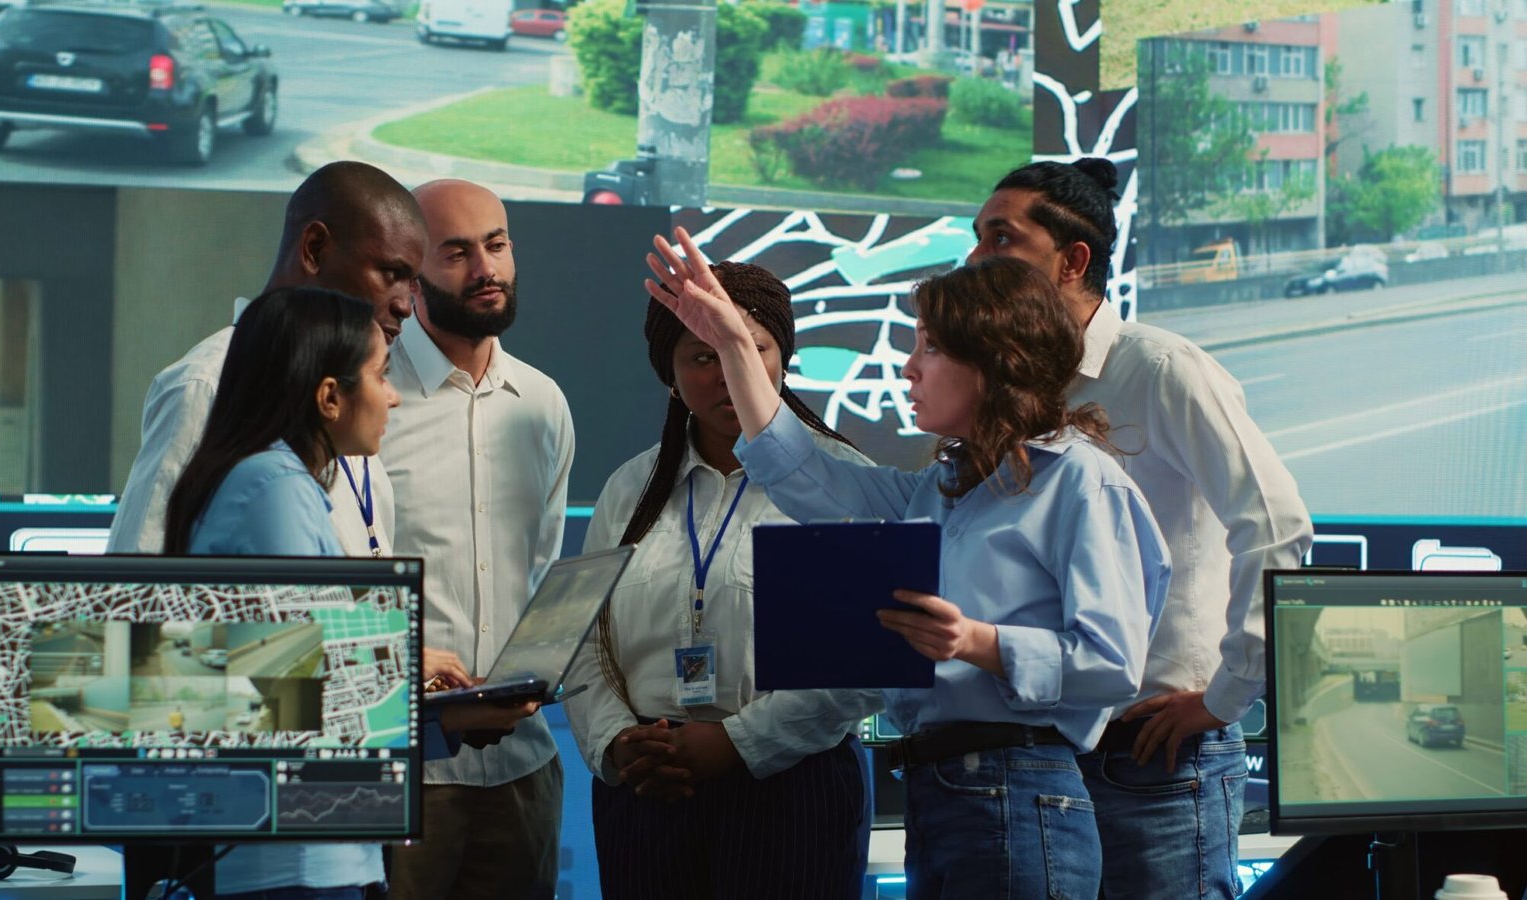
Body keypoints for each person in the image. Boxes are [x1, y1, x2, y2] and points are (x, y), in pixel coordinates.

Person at [646, 229, 1171, 899]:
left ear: (996, 362)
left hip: (1020, 787)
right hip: (941, 791)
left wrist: (976, 641)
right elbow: (797, 467)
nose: (909, 369)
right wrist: (729, 342)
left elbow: (1114, 663)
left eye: (930, 348)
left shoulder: (1080, 481)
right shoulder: (940, 487)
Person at [967, 158, 1312, 898]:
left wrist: (1225, 698)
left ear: (1073, 260)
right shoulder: (1010, 386)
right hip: (1039, 753)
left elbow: (1277, 523)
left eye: (1001, 237)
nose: (975, 258)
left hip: (1154, 750)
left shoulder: (1159, 368)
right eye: (977, 237)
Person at [163, 287, 538, 900]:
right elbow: (294, 694)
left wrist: (434, 704)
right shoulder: (271, 487)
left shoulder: (280, 481)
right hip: (291, 860)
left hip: (315, 848)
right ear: (330, 397)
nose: (392, 396)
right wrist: (434, 696)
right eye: (381, 375)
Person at [563, 261, 880, 900]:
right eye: (701, 355)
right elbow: (581, 639)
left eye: (749, 346)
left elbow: (861, 663)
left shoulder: (840, 476)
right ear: (672, 376)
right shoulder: (629, 488)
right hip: (649, 788)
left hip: (793, 786)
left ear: (782, 357)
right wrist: (618, 743)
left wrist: (738, 744)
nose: (727, 371)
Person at [381, 180, 574, 900]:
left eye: (495, 245)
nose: (484, 269)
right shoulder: (370, 394)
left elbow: (540, 573)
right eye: (456, 252)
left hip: (524, 770)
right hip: (406, 773)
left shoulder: (543, 403)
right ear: (412, 269)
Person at [108, 160, 425, 563]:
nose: (405, 305)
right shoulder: (207, 383)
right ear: (314, 249)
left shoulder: (350, 402)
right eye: (390, 272)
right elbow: (139, 580)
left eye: (411, 282)